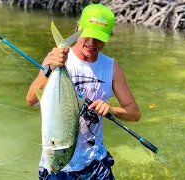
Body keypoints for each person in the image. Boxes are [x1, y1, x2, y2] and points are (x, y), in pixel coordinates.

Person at [26, 4, 141, 180]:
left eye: (99, 38)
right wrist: (50, 69)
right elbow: (31, 100)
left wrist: (111, 110)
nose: (92, 43)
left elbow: (134, 113)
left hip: (95, 162)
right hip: (57, 159)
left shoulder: (111, 68)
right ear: (78, 27)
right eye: (88, 35)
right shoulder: (55, 58)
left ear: (109, 36)